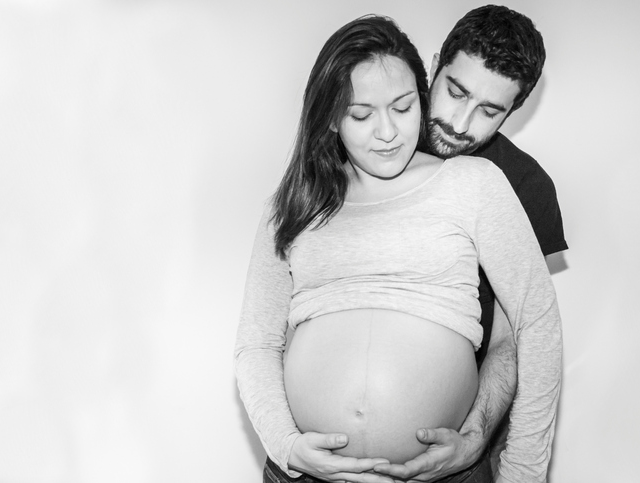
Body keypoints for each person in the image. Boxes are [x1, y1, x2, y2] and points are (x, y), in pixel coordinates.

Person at [234, 14, 562, 483]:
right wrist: (286, 446)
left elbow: (535, 326)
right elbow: (256, 344)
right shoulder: (291, 205)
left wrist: (521, 477)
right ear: (330, 117)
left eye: (404, 107)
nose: (386, 132)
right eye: (362, 115)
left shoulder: (477, 183)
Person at [373, 5, 568, 483]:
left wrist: (476, 437)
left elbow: (514, 336)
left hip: (457, 450)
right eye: (455, 91)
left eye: (489, 110)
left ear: (515, 110)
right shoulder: (370, 139)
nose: (460, 123)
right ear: (436, 63)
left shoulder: (525, 185)